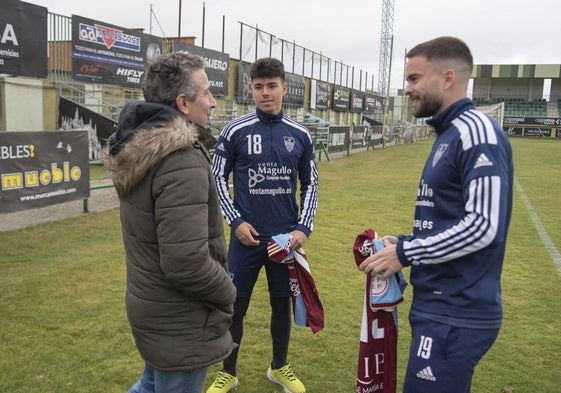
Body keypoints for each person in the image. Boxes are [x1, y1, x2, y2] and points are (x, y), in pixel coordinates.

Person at [358, 36, 513, 393]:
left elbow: (483, 226)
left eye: (414, 78)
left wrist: (406, 253)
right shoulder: (448, 133)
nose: (407, 88)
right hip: (438, 305)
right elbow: (449, 220)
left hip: (457, 312)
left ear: (447, 78)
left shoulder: (477, 133)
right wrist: (407, 241)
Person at [102, 52, 236, 393]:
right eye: (206, 93)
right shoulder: (180, 159)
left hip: (156, 308)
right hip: (180, 320)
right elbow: (186, 263)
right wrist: (228, 291)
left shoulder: (144, 147)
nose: (213, 102)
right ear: (183, 103)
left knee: (150, 385)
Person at [208, 57, 319, 393]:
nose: (265, 93)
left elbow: (310, 183)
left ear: (284, 88)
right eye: (259, 87)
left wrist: (303, 228)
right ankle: (229, 371)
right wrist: (236, 220)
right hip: (246, 239)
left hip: (285, 240)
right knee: (235, 305)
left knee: (280, 304)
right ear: (251, 89)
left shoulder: (300, 134)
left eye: (272, 86)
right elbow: (216, 179)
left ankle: (279, 367)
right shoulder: (235, 130)